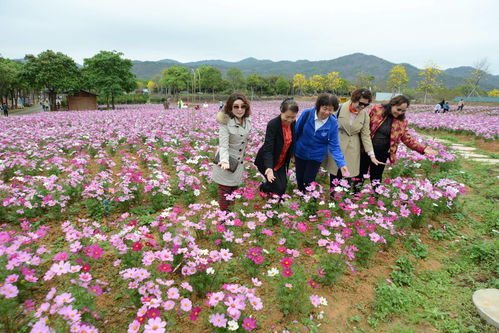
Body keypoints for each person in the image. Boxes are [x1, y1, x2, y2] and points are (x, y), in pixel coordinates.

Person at [359, 95, 438, 185]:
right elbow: (364, 124)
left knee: (376, 177)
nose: (400, 113)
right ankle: (355, 195)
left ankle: (375, 197)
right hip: (366, 149)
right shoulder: (377, 110)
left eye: (403, 111)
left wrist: (422, 148)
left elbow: (407, 139)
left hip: (382, 153)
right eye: (398, 109)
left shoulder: (402, 122)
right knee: (360, 174)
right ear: (392, 105)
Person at [324, 88, 384, 192]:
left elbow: (366, 135)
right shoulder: (339, 108)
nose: (362, 107)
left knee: (348, 176)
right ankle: (333, 199)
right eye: (360, 103)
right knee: (335, 175)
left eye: (366, 105)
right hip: (337, 144)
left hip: (352, 148)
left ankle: (343, 202)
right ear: (353, 99)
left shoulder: (364, 115)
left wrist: (372, 155)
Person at [294, 93, 349, 193]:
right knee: (300, 180)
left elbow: (334, 145)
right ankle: (302, 200)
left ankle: (311, 203)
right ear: (319, 106)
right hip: (300, 152)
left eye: (331, 110)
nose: (327, 112)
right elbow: (296, 132)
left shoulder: (333, 123)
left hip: (316, 156)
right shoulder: (307, 114)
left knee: (309, 181)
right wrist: (292, 152)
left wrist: (341, 164)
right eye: (325, 108)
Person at [211, 93, 252, 211]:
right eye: (236, 107)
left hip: (238, 162)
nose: (240, 110)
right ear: (230, 107)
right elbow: (223, 145)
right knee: (224, 191)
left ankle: (230, 216)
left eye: (242, 106)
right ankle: (223, 220)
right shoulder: (225, 122)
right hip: (226, 161)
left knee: (234, 190)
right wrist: (224, 161)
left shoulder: (247, 120)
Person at [254, 98, 298, 196]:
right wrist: (269, 168)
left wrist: (293, 155)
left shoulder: (293, 123)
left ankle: (266, 190)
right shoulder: (273, 124)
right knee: (279, 187)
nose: (290, 120)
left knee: (283, 186)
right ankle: (265, 191)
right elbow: (268, 148)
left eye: (293, 117)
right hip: (267, 160)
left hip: (281, 161)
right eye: (287, 116)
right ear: (281, 112)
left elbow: (292, 141)